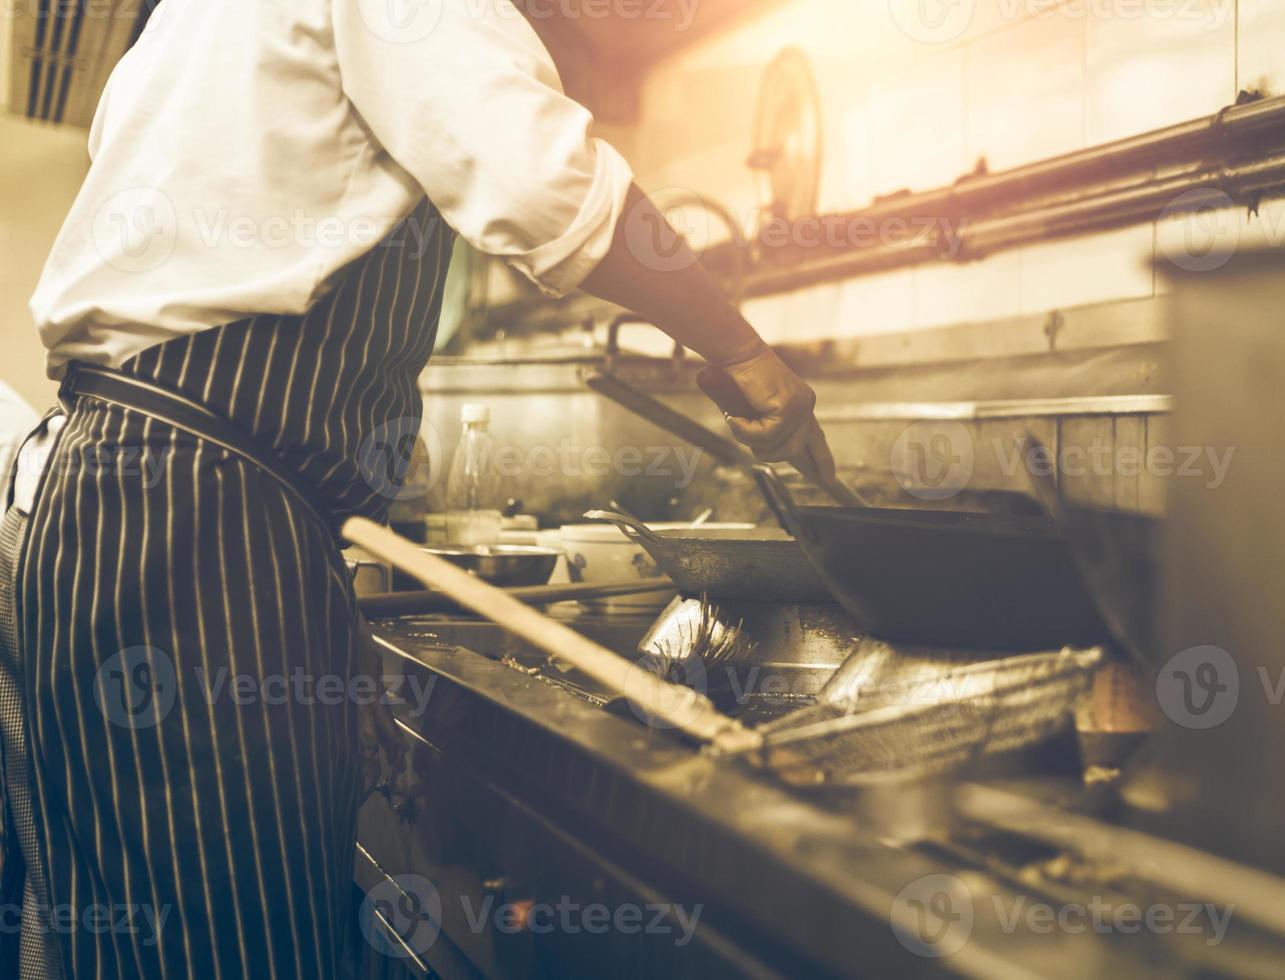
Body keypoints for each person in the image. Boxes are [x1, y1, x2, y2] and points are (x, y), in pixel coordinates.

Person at [6, 2, 837, 977]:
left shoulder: (187, 25)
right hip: (198, 514)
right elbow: (555, 190)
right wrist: (744, 351)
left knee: (155, 944)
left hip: (114, 496)